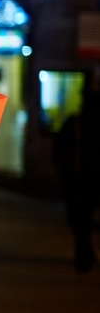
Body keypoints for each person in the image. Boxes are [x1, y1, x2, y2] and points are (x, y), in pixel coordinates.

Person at [53, 76, 100, 272]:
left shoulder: (75, 122)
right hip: (95, 179)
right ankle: (85, 250)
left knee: (77, 216)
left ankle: (83, 251)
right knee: (87, 215)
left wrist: (62, 170)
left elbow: (57, 149)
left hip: (75, 178)